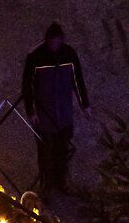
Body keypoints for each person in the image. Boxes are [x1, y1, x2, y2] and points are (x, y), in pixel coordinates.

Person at [21, 22, 90, 198]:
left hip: (64, 113)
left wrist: (85, 104)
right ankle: (46, 187)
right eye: (52, 42)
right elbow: (27, 86)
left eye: (57, 41)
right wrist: (31, 111)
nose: (55, 45)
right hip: (44, 114)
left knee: (62, 149)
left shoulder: (69, 54)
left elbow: (78, 80)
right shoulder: (35, 57)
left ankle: (61, 181)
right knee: (45, 152)